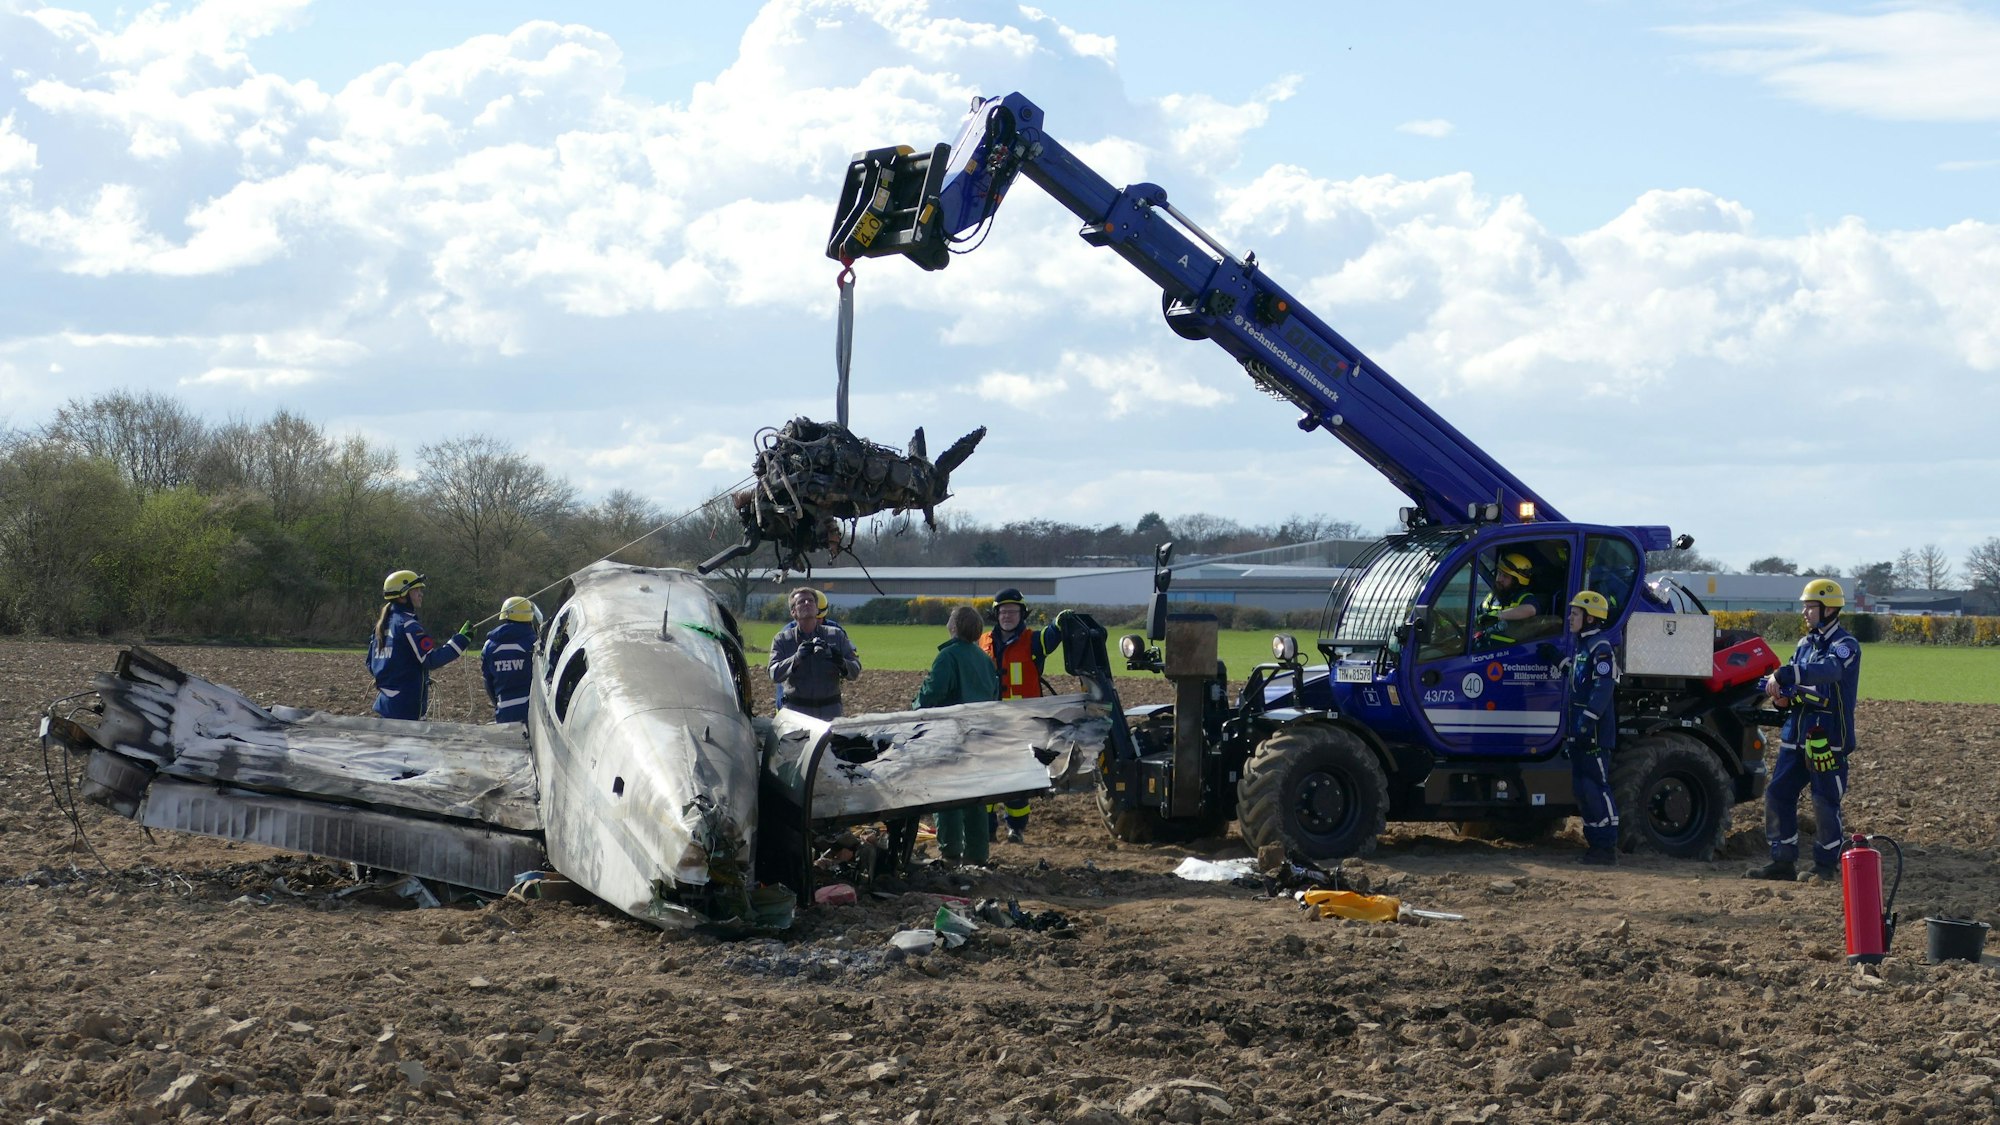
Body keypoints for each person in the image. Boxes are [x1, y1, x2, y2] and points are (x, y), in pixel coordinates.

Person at [1748, 578, 1862, 882]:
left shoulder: (1845, 646)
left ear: (1828, 609)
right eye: (1805, 607)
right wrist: (1782, 698)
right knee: (1778, 794)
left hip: (1827, 738)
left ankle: (1826, 865)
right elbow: (1794, 686)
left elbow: (1829, 671)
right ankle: (1782, 861)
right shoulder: (1803, 645)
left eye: (1810, 607)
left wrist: (1789, 673)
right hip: (1794, 735)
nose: (1805, 612)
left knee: (1824, 800)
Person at [913, 605, 1002, 866]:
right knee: (975, 797)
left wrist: (915, 708)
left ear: (953, 627)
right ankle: (977, 854)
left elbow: (932, 693)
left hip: (949, 736)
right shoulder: (984, 659)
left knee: (947, 795)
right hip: (978, 736)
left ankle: (951, 852)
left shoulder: (948, 657)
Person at [978, 587, 1067, 843]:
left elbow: (1053, 635)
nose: (1007, 616)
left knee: (1017, 779)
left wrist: (1060, 621)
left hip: (1023, 723)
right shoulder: (983, 641)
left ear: (1022, 614)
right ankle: (986, 830)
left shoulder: (1034, 640)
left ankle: (1016, 829)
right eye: (1003, 611)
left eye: (1013, 611)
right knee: (987, 777)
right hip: (990, 721)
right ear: (996, 614)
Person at [368, 569, 469, 720]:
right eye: (416, 590)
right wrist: (460, 641)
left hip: (386, 706)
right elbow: (430, 660)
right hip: (406, 711)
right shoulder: (408, 625)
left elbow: (371, 664)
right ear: (403, 595)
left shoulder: (382, 625)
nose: (421, 594)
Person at [1565, 591, 1620, 866]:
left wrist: (1587, 721)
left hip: (1594, 733)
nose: (1570, 618)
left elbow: (1602, 688)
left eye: (1574, 614)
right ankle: (1594, 843)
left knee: (1596, 787)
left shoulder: (1601, 648)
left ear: (1589, 618)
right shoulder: (1582, 646)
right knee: (1583, 789)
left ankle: (1606, 846)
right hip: (1579, 731)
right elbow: (1578, 678)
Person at [768, 586, 861, 721]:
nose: (807, 603)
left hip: (830, 713)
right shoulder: (782, 639)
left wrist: (840, 661)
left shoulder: (836, 635)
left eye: (811, 601)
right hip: (796, 714)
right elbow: (773, 673)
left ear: (817, 609)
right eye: (801, 602)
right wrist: (796, 659)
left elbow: (855, 670)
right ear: (793, 612)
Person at [481, 595, 537, 724]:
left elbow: (488, 681)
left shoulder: (489, 645)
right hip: (531, 710)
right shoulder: (533, 642)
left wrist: (498, 704)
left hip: (504, 710)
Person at [1474, 552, 1542, 649]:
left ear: (1516, 581)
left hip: (1513, 654)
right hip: (1483, 650)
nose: (1499, 579)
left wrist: (1497, 616)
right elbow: (1477, 622)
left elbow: (1531, 610)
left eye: (1505, 576)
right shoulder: (1490, 597)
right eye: (1499, 573)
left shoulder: (1524, 598)